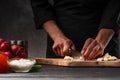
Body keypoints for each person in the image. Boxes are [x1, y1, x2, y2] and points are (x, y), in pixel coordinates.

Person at [31, 0, 120, 60]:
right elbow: (39, 3)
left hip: (105, 43)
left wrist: (101, 41)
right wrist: (57, 36)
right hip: (61, 46)